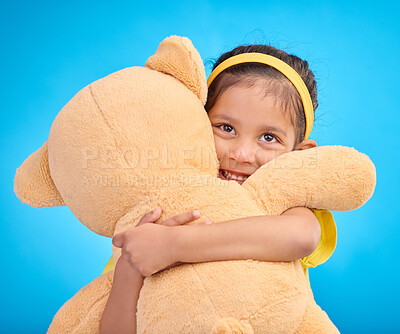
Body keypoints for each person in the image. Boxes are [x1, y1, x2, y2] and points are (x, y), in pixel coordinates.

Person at [100, 44, 337, 334]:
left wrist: (172, 244)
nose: (241, 153)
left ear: (299, 154)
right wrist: (130, 267)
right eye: (226, 128)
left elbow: (301, 237)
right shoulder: (161, 212)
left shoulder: (286, 208)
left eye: (268, 137)